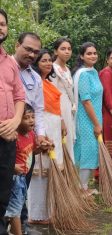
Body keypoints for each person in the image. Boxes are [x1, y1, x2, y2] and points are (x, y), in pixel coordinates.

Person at [13, 32, 45, 233]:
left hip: (28, 142)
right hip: (8, 139)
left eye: (36, 51)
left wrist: (39, 135)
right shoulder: (5, 68)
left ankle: (23, 227)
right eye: (28, 49)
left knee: (23, 185)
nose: (32, 54)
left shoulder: (34, 77)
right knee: (7, 187)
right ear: (17, 45)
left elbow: (39, 109)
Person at [29, 49, 64, 224]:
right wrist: (39, 134)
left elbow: (56, 110)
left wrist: (62, 124)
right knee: (39, 173)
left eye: (50, 60)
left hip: (54, 128)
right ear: (36, 63)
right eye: (44, 61)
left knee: (50, 172)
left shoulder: (49, 83)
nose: (48, 63)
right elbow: (36, 111)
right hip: (42, 130)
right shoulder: (35, 83)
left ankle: (49, 210)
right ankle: (37, 215)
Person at [4, 105, 49, 235]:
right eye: (26, 118)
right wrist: (12, 167)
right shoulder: (14, 138)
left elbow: (32, 151)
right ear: (17, 120)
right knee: (15, 210)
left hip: (23, 177)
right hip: (15, 178)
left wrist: (43, 148)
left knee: (17, 206)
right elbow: (5, 158)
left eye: (33, 117)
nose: (31, 120)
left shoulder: (30, 135)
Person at [0, 9, 25, 235]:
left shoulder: (9, 62)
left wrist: (16, 120)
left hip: (8, 140)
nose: (0, 27)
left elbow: (19, 96)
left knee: (3, 196)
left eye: (2, 23)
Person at [73, 42, 103, 194]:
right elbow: (86, 101)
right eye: (89, 53)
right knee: (86, 151)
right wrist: (96, 124)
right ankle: (81, 188)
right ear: (81, 56)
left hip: (94, 118)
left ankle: (83, 185)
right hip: (85, 119)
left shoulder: (94, 71)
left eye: (94, 53)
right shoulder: (83, 74)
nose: (93, 56)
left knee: (91, 150)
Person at [52, 37, 75, 163]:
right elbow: (53, 95)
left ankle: (68, 177)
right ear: (56, 51)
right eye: (63, 49)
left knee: (68, 141)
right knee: (60, 141)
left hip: (68, 109)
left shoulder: (67, 70)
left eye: (69, 49)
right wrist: (59, 119)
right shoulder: (53, 69)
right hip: (58, 110)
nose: (67, 52)